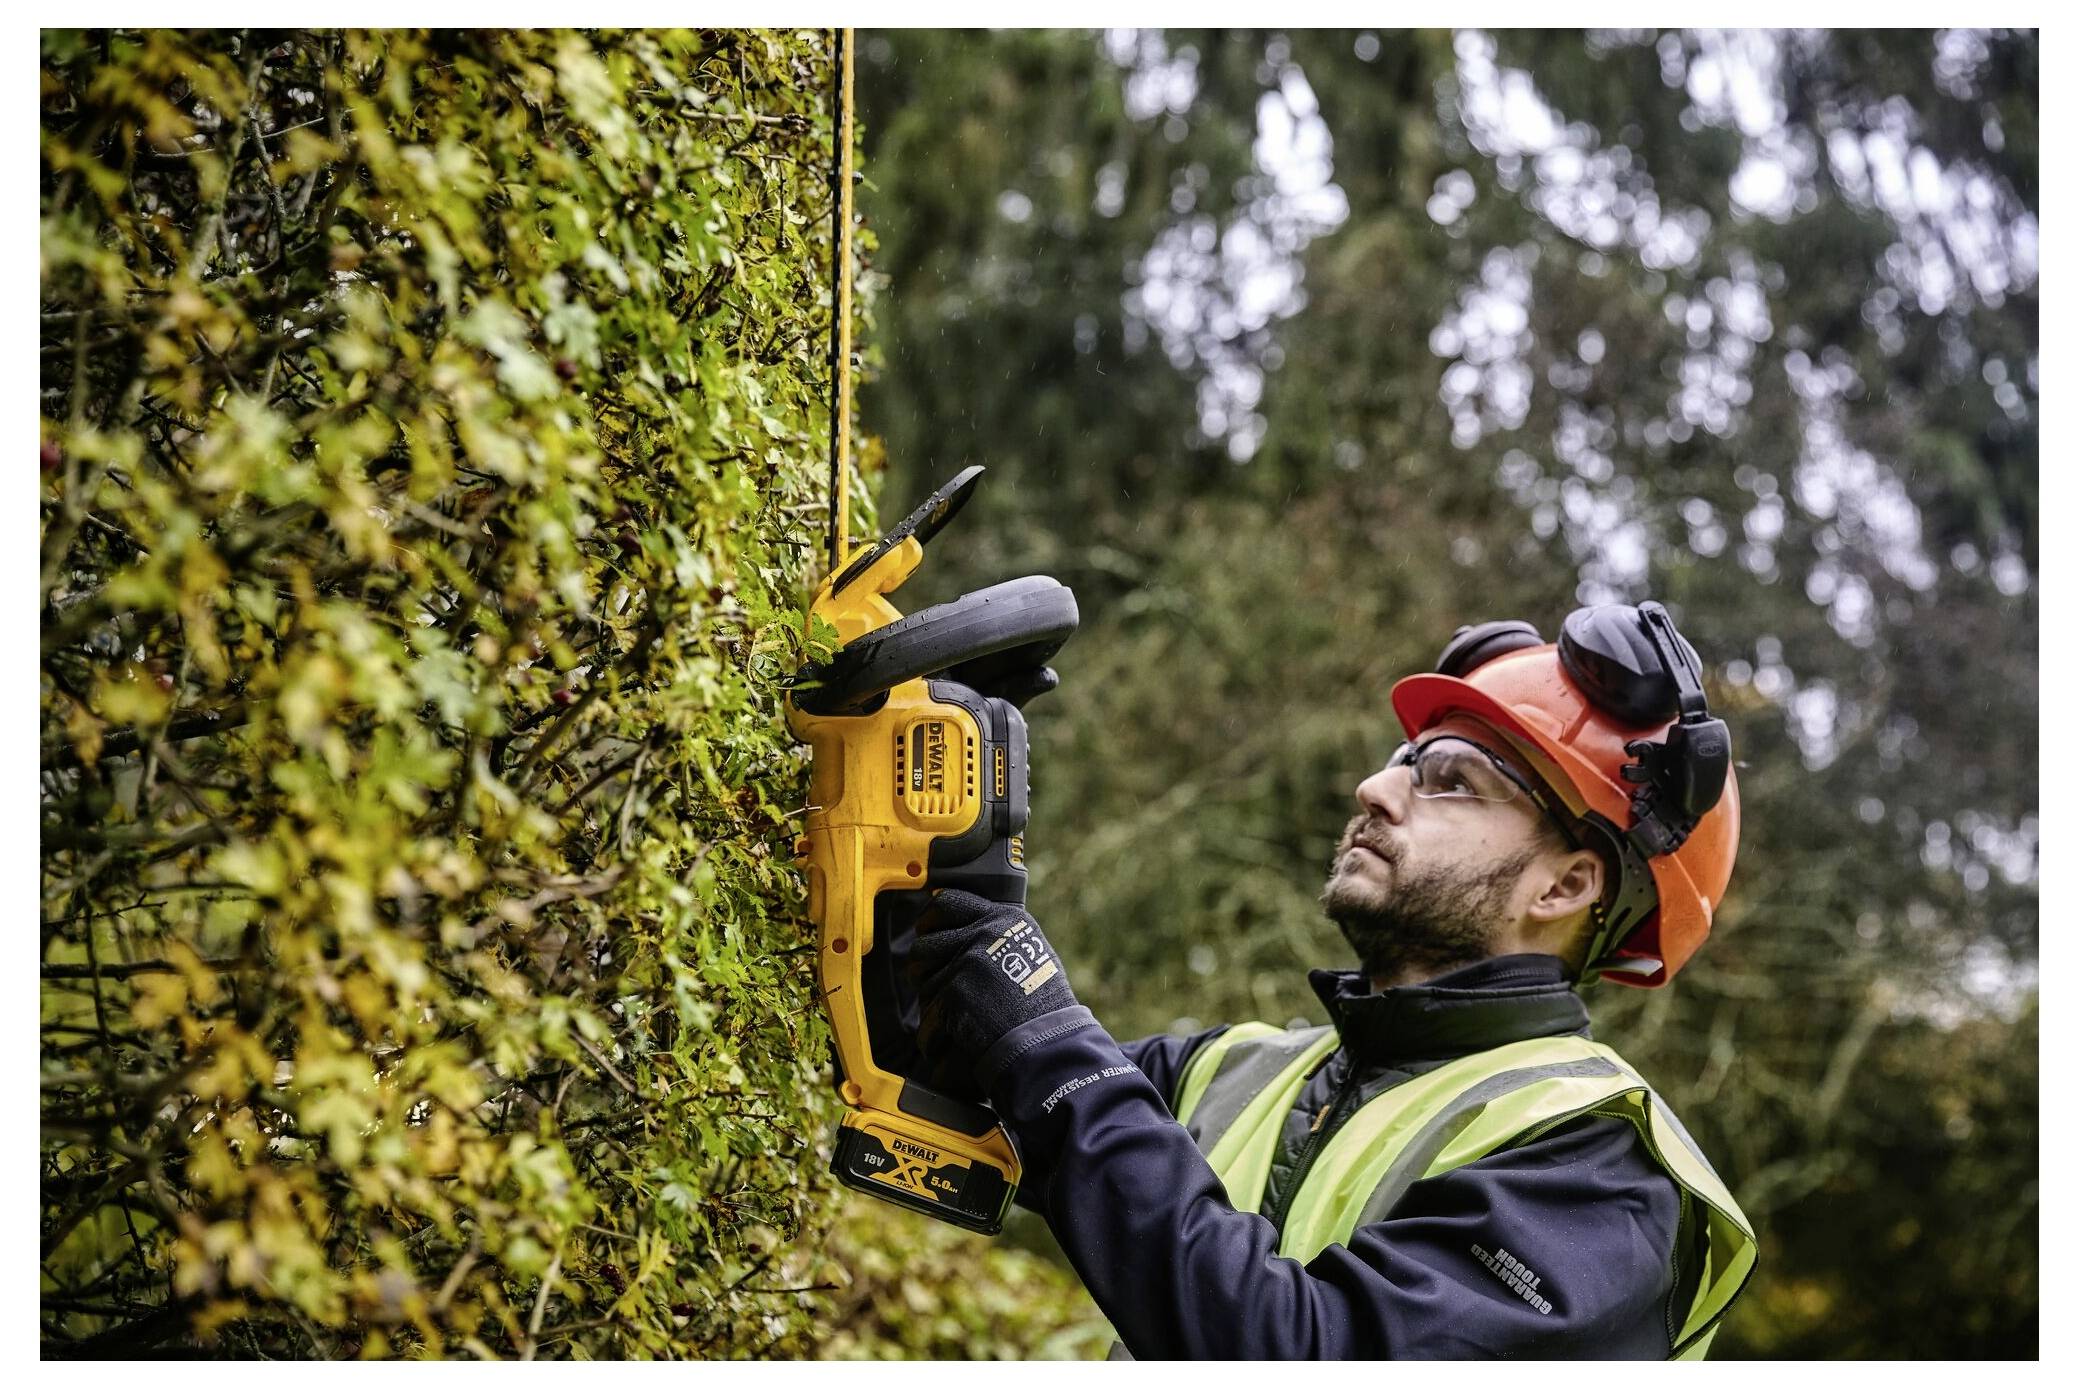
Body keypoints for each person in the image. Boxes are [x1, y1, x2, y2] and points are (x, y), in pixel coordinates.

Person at [907, 602, 1757, 1360]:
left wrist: (1045, 1032)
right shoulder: (1236, 1072)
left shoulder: (1603, 1172)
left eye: (1450, 778)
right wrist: (935, 860)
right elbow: (937, 1065)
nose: (1375, 789)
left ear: (1563, 887)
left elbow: (1302, 1349)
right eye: (1403, 760)